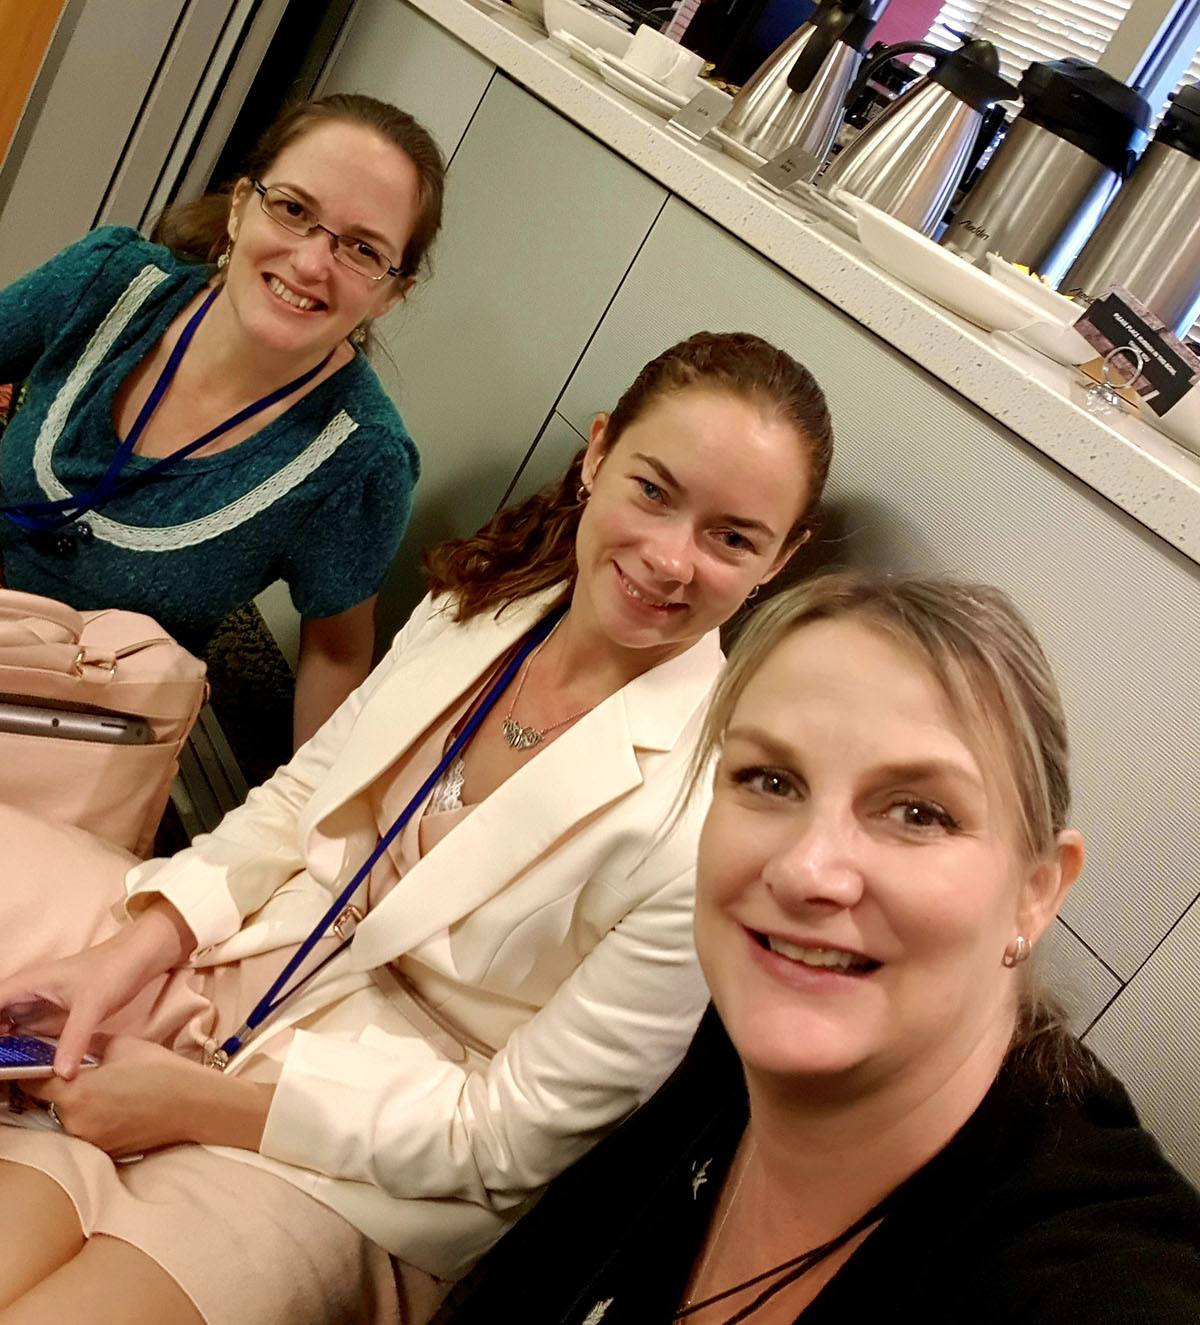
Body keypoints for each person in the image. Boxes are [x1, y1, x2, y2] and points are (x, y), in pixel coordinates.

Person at [0, 330, 834, 1325]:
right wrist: (137, 945)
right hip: (235, 984)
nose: (669, 557)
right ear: (598, 450)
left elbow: (508, 1138)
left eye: (732, 537)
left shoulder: (710, 815)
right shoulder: (481, 605)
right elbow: (294, 803)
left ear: (782, 559)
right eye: (654, 490)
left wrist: (197, 1105)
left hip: (369, 1155)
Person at [434, 571, 1200, 1325]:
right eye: (770, 779)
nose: (805, 871)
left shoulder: (1080, 1265)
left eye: (919, 811)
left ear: (1036, 890)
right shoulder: (721, 1045)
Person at [0, 93, 445, 744]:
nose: (312, 262)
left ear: (389, 292)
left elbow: (337, 653)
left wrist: (296, 830)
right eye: (294, 209)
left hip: (83, 731)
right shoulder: (108, 280)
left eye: (362, 248)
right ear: (241, 206)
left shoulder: (359, 459)